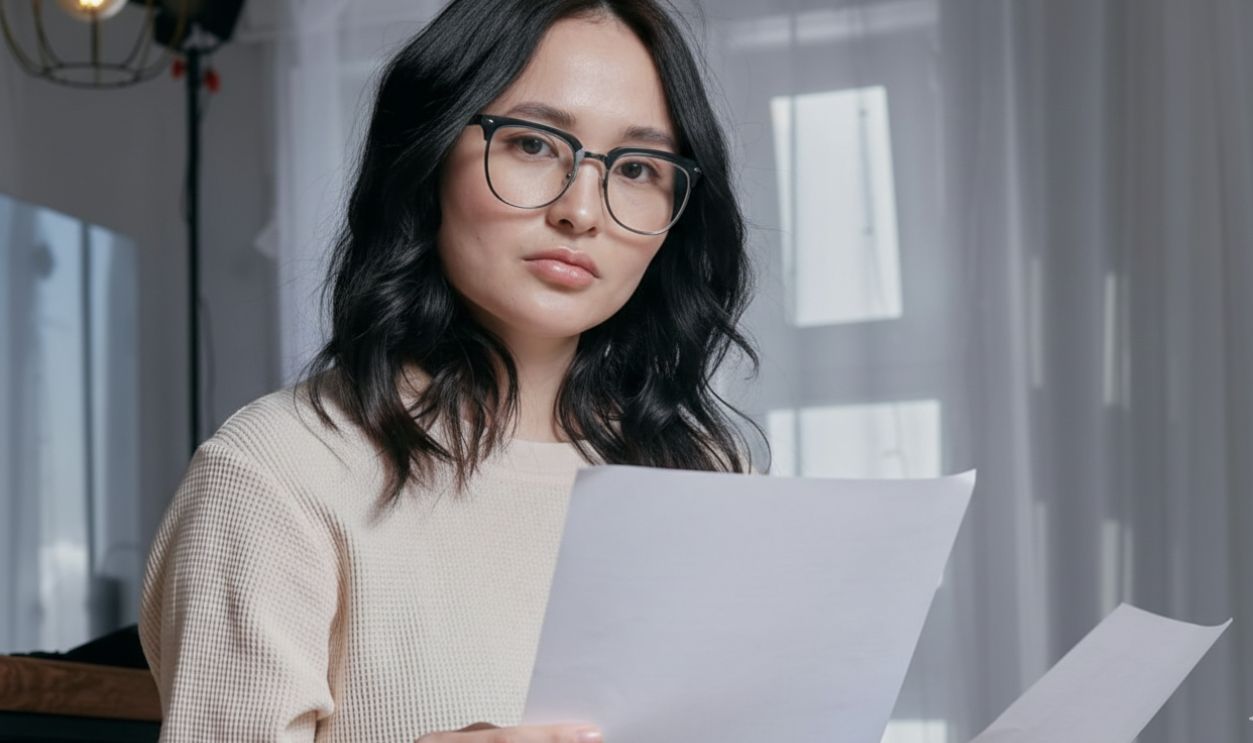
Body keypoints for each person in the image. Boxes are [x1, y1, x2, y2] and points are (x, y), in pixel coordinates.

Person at [139, 0, 763, 740]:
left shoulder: (707, 471)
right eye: (533, 144)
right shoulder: (275, 472)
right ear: (426, 156)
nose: (581, 209)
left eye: (635, 167)